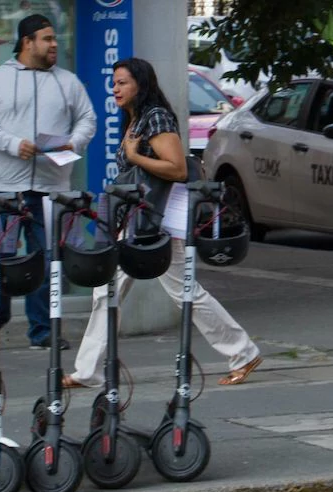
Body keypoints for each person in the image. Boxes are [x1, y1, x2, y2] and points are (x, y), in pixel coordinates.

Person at [61, 57, 262, 388]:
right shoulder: (138, 118)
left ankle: (243, 352)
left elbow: (177, 169)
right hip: (138, 218)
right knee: (106, 291)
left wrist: (136, 155)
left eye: (122, 82)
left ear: (141, 83)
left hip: (158, 221)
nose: (115, 88)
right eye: (114, 83)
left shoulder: (155, 118)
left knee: (186, 291)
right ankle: (89, 371)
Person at [0, 13, 97, 350]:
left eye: (55, 39)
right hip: (4, 185)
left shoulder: (68, 81)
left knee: (49, 257)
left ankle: (42, 331)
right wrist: (13, 144)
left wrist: (75, 141)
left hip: (52, 187)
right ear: (27, 42)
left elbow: (88, 118)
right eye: (47, 38)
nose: (54, 44)